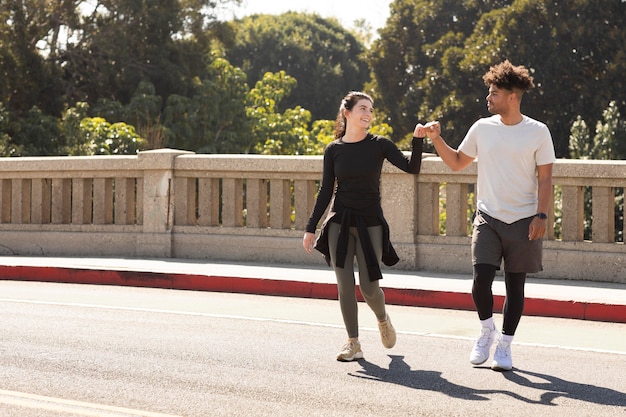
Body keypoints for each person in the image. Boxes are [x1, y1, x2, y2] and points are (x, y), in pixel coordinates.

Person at [421, 60, 555, 371]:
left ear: (512, 96)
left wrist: (542, 215)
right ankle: (486, 331)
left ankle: (505, 346)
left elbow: (546, 178)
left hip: (524, 220)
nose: (488, 98)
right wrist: (436, 138)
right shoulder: (482, 128)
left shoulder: (538, 132)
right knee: (481, 281)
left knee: (515, 286)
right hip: (488, 218)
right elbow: (456, 162)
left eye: (494, 93)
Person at [303, 91, 424, 362]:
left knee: (369, 287)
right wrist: (311, 227)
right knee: (344, 284)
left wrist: (417, 140)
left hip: (370, 222)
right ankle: (353, 343)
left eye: (370, 109)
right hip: (339, 222)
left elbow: (412, 167)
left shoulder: (379, 145)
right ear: (347, 112)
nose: (368, 113)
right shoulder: (333, 150)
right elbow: (326, 190)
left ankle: (382, 319)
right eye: (362, 108)